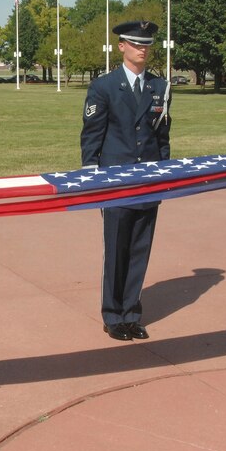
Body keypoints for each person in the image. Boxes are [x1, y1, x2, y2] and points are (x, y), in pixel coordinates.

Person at [80, 21, 171, 341]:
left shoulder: (160, 87)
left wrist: (166, 175)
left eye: (146, 44)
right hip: (115, 181)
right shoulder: (104, 86)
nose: (142, 49)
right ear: (121, 47)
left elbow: (162, 137)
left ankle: (131, 313)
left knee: (139, 248)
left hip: (148, 180)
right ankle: (113, 314)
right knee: (117, 247)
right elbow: (92, 136)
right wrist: (91, 176)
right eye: (135, 44)